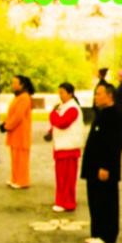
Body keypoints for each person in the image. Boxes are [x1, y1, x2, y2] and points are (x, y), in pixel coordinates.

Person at [82, 84, 122, 243]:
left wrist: (106, 166)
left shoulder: (114, 115)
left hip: (104, 167)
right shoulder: (102, 113)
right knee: (95, 200)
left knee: (106, 201)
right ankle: (97, 233)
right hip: (93, 166)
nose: (96, 97)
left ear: (109, 95)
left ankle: (107, 235)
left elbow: (113, 144)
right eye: (95, 94)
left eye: (99, 94)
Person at [48, 83, 84, 213]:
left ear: (70, 93)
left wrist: (52, 114)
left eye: (62, 92)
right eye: (59, 92)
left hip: (69, 148)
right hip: (62, 147)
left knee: (67, 179)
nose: (60, 95)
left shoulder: (73, 108)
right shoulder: (63, 106)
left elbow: (62, 123)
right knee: (61, 178)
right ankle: (61, 201)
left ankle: (67, 203)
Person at [3, 75, 34, 189]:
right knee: (15, 157)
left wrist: (7, 126)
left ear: (22, 85)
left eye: (15, 83)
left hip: (21, 132)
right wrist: (5, 123)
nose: (13, 85)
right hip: (15, 132)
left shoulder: (24, 97)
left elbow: (18, 116)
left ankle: (22, 181)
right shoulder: (18, 97)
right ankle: (15, 178)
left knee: (21, 158)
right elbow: (12, 113)